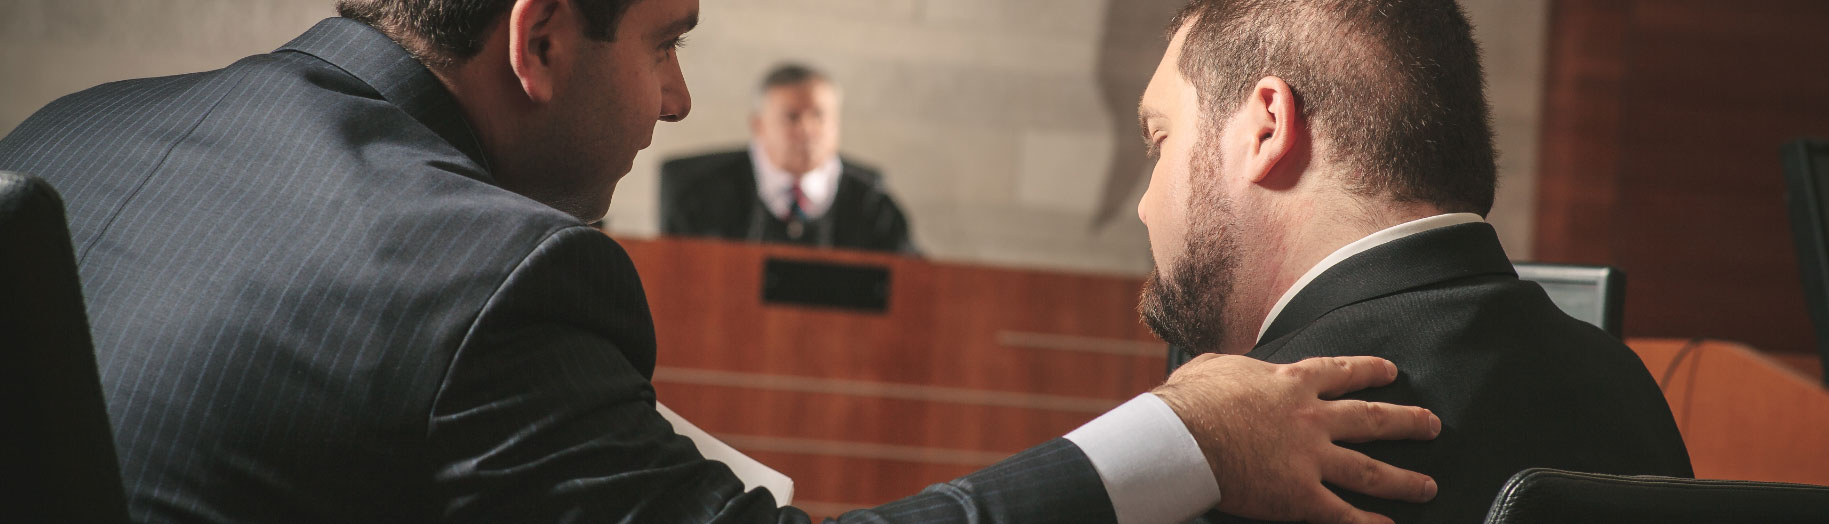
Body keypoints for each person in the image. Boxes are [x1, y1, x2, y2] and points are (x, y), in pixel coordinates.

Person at [0, 0, 1447, 523]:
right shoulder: (489, 274)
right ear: (540, 36)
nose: (681, 103)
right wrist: (1176, 439)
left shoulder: (69, 131)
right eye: (670, 41)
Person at [1131, 2, 1694, 523]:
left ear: (1268, 127)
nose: (1143, 207)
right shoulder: (1630, 392)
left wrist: (1167, 447)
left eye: (1161, 140)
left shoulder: (1230, 449)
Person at [660, 64, 914, 253]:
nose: (807, 130)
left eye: (819, 115)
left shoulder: (871, 203)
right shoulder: (706, 196)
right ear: (759, 125)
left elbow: (911, 282)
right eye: (792, 117)